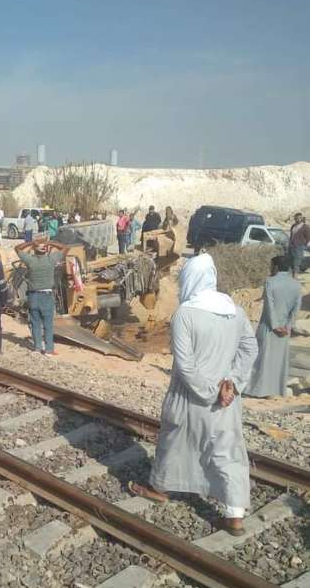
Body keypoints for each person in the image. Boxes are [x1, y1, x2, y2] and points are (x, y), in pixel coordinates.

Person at [129, 252, 257, 536]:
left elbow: (185, 365)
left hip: (191, 395)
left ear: (190, 279)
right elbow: (250, 349)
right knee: (227, 450)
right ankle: (235, 516)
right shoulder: (235, 311)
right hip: (226, 399)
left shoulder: (185, 314)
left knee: (173, 440)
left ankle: (160, 488)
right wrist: (232, 383)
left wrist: (211, 392)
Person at [245, 254, 302, 398]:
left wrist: (275, 325)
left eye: (271, 266)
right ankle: (276, 389)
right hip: (285, 329)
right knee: (279, 359)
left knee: (262, 357)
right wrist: (288, 326)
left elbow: (269, 306)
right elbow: (295, 309)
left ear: (276, 267)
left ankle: (257, 390)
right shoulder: (296, 285)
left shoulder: (270, 282)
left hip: (268, 326)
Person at [15, 238, 69, 355]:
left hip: (33, 296)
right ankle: (49, 349)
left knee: (35, 323)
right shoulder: (51, 259)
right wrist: (50, 242)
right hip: (47, 296)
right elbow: (66, 248)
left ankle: (37, 348)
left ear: (34, 249)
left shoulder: (30, 260)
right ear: (46, 249)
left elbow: (17, 248)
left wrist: (31, 243)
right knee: (48, 324)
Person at [288, 212, 310, 277]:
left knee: (296, 263)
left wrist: (304, 244)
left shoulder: (305, 227)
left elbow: (308, 237)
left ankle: (295, 277)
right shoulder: (293, 226)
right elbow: (291, 236)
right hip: (291, 246)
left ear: (302, 218)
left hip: (299, 247)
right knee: (291, 262)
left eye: (299, 218)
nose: (298, 220)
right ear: (294, 219)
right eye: (296, 218)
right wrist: (289, 244)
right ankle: (291, 278)